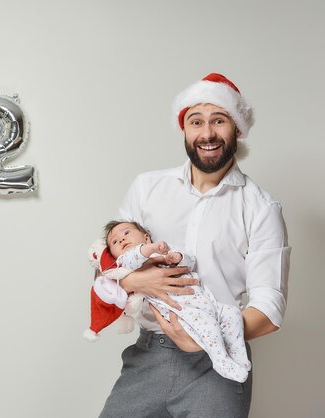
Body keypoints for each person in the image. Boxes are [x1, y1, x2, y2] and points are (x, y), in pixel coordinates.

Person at [98, 73, 291, 418]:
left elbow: (269, 307)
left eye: (219, 120)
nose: (207, 134)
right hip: (148, 356)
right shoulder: (146, 188)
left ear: (237, 129)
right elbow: (107, 261)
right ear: (184, 129)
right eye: (196, 121)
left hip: (218, 365)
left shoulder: (261, 208)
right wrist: (133, 281)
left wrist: (207, 337)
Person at [85, 220, 251, 383]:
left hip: (206, 301)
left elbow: (190, 261)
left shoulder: (166, 251)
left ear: (146, 237)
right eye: (114, 241)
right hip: (182, 310)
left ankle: (238, 356)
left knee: (233, 314)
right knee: (209, 326)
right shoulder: (126, 264)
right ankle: (220, 360)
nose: (121, 239)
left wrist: (178, 257)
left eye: (126, 233)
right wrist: (148, 249)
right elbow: (133, 258)